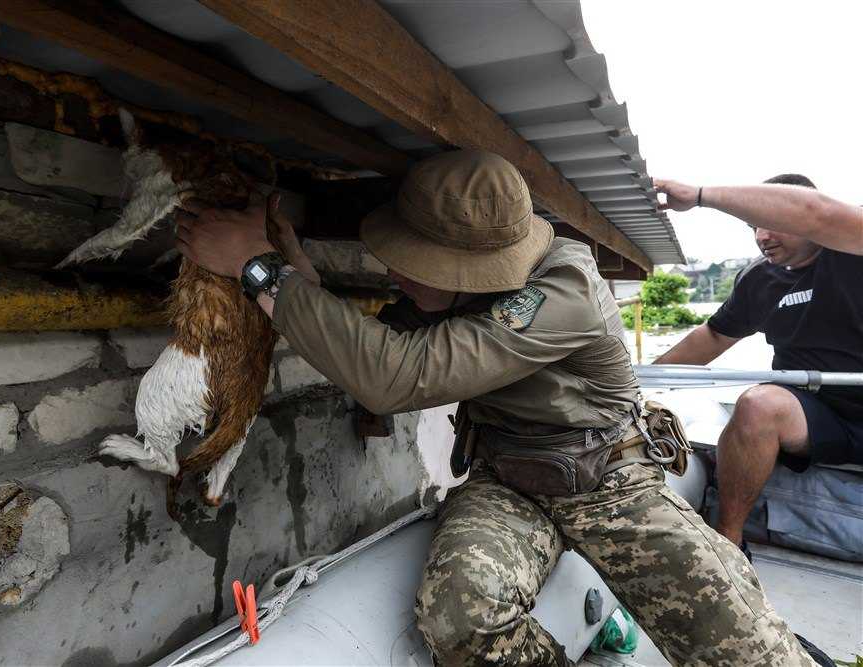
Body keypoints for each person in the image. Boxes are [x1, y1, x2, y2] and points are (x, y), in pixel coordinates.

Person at [175, 151, 813, 665]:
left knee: (748, 650)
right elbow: (371, 344)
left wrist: (256, 270)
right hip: (505, 482)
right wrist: (295, 270)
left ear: (476, 269)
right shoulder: (453, 294)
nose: (395, 274)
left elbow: (396, 375)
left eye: (416, 263)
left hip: (612, 484)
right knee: (461, 610)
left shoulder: (564, 291)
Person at [653, 175, 863, 550]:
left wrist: (701, 196)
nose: (762, 236)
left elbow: (819, 213)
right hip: (816, 413)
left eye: (774, 222)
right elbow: (714, 336)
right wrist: (641, 378)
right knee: (758, 404)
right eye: (754, 226)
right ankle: (730, 543)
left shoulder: (852, 249)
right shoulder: (758, 279)